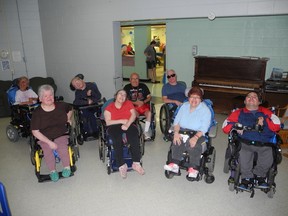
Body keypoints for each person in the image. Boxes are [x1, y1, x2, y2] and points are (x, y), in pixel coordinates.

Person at [222, 91, 281, 189]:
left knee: (269, 153)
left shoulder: (266, 112)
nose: (251, 98)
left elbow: (277, 126)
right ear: (245, 101)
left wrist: (265, 120)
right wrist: (235, 127)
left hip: (264, 142)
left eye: (255, 97)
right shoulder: (238, 112)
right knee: (243, 152)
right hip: (245, 141)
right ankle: (246, 178)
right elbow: (225, 127)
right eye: (249, 97)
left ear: (259, 102)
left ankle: (260, 176)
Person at [163, 87, 211, 179]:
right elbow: (176, 122)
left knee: (193, 145)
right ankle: (175, 165)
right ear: (188, 98)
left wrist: (195, 137)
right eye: (192, 97)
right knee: (176, 141)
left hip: (198, 133)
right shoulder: (184, 106)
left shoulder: (205, 110)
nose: (194, 100)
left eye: (197, 97)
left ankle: (193, 168)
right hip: (182, 131)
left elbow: (204, 128)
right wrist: (176, 133)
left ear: (201, 99)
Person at [31, 85, 73, 182]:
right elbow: (35, 131)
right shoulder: (37, 113)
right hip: (44, 136)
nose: (49, 97)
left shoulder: (61, 105)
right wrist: (49, 142)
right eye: (46, 96)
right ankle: (53, 171)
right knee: (47, 150)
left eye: (51, 95)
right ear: (40, 98)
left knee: (62, 148)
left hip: (60, 133)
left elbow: (70, 108)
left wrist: (68, 118)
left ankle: (67, 168)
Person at [104, 89, 145, 179]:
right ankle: (122, 165)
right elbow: (108, 122)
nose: (122, 96)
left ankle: (136, 163)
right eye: (120, 94)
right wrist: (122, 121)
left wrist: (127, 124)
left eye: (124, 95)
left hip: (129, 123)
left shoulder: (128, 104)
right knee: (117, 140)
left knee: (134, 136)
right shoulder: (109, 108)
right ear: (116, 96)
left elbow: (133, 115)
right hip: (114, 125)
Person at [124, 73, 152, 140]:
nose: (135, 80)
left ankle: (146, 131)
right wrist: (135, 102)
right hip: (133, 107)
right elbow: (125, 99)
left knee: (149, 113)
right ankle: (137, 130)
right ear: (130, 80)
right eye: (133, 79)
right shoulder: (127, 87)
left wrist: (143, 102)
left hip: (143, 105)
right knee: (134, 114)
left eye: (136, 78)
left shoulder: (143, 86)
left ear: (139, 80)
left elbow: (149, 97)